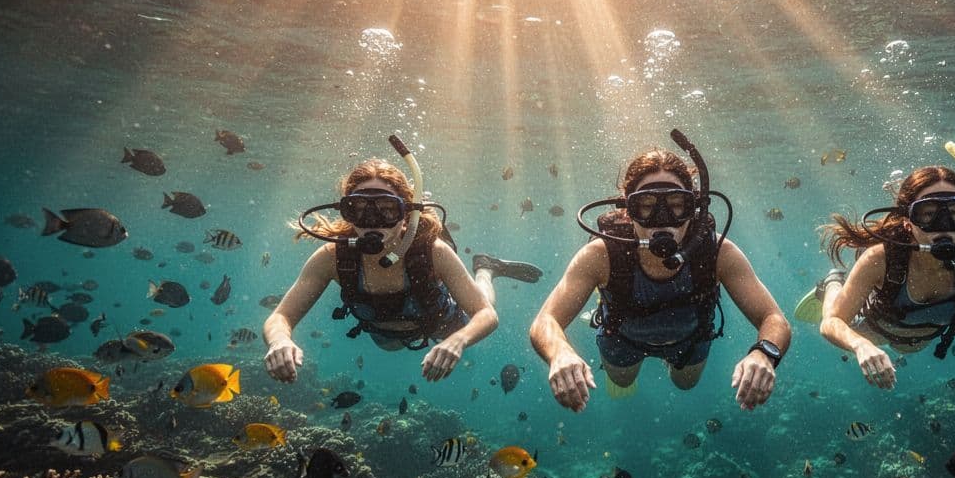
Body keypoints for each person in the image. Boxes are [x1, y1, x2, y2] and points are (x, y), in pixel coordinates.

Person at [530, 143, 790, 412]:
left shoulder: (717, 252)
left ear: (694, 207)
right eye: (646, 206)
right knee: (622, 378)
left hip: (689, 341)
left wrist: (764, 353)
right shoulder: (601, 255)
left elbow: (774, 318)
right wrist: (559, 352)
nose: (662, 220)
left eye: (677, 206)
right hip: (622, 339)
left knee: (685, 383)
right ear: (627, 210)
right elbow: (545, 321)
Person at [264, 159, 541, 383]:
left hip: (440, 321)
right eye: (359, 209)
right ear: (346, 213)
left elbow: (487, 315)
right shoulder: (332, 257)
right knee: (390, 345)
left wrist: (458, 341)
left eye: (386, 210)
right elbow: (281, 317)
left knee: (480, 300)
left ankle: (485, 269)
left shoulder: (433, 251)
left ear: (406, 212)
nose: (372, 222)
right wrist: (279, 341)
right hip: (383, 333)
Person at [797, 152, 955, 390]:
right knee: (836, 310)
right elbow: (832, 322)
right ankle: (833, 282)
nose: (944, 227)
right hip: (874, 330)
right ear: (907, 219)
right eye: (928, 214)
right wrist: (861, 345)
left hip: (916, 338)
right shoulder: (880, 259)